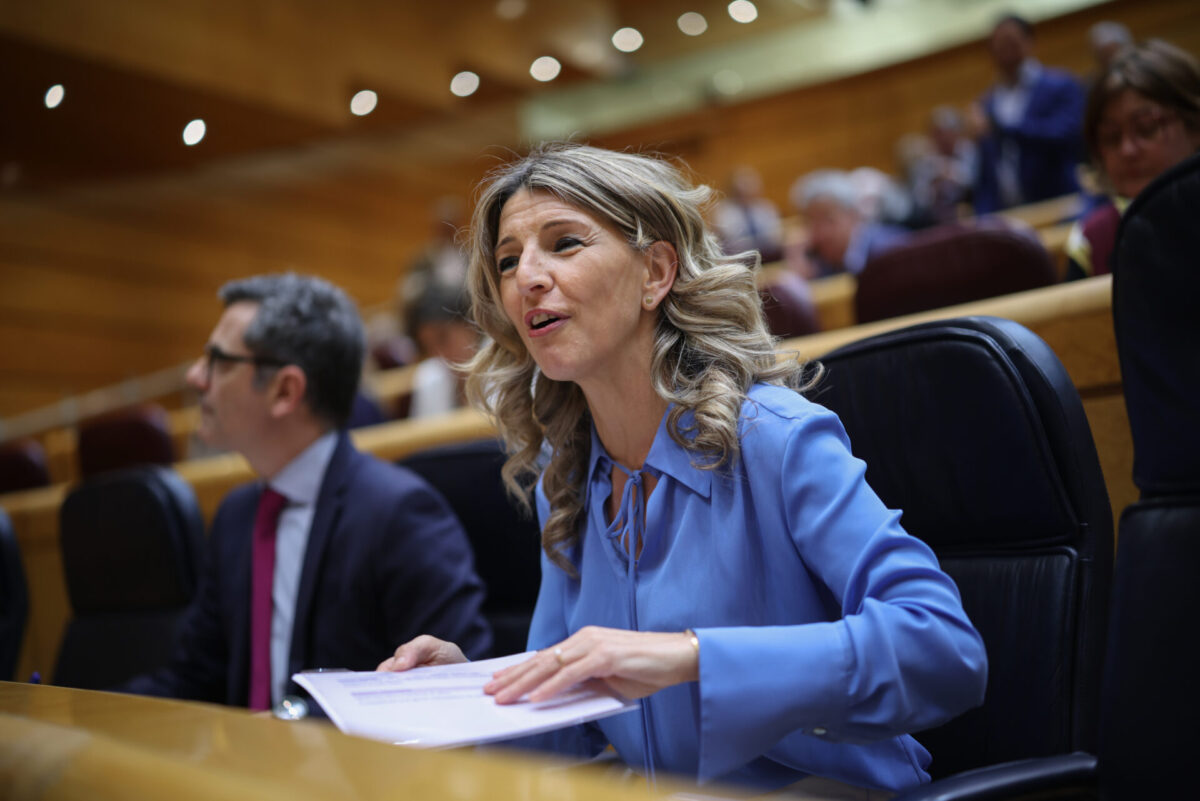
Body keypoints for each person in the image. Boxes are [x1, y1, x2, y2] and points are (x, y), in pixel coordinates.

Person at [379, 144, 987, 796]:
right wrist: (466, 690)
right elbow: (570, 722)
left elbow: (945, 650)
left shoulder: (774, 438)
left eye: (563, 243)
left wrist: (691, 657)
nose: (527, 275)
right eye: (507, 259)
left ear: (656, 271)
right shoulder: (570, 470)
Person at [122, 273, 491, 709]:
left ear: (285, 390)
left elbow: (456, 689)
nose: (195, 376)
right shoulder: (236, 516)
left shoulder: (399, 513)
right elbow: (194, 679)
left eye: (219, 361)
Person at [1066, 40, 1200, 280]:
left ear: (1194, 126)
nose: (1127, 150)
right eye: (1111, 137)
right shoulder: (1093, 238)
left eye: (1147, 129)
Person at [969, 14, 1086, 213]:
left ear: (1029, 41)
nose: (1004, 50)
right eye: (998, 45)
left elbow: (1067, 137)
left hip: (1060, 204)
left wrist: (1003, 129)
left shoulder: (1060, 85)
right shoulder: (987, 102)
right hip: (1010, 214)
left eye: (1010, 42)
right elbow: (987, 172)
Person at [790, 169, 910, 277]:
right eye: (813, 224)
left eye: (829, 220)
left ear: (853, 215)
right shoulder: (819, 266)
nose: (822, 233)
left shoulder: (893, 248)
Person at [403, 281, 479, 418]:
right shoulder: (429, 377)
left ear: (470, 325)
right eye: (428, 347)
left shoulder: (506, 366)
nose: (440, 354)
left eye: (443, 338)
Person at [711, 165, 785, 263]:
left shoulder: (766, 207)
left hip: (768, 256)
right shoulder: (723, 211)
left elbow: (776, 237)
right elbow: (732, 242)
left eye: (751, 183)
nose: (748, 188)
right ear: (734, 188)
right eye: (744, 184)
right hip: (739, 261)